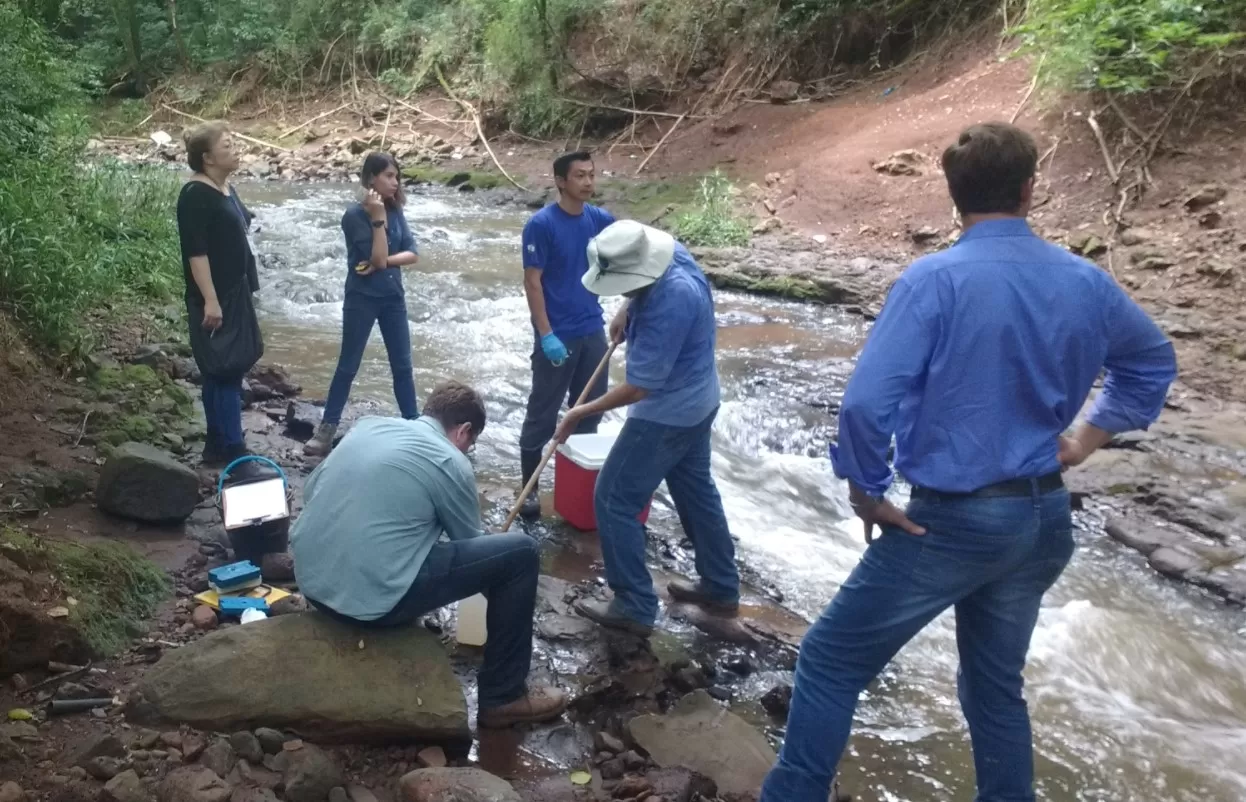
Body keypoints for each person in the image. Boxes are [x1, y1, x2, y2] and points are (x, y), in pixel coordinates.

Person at [757, 122, 1178, 802]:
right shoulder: (1085, 280)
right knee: (994, 689)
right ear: (1029, 190)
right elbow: (1152, 362)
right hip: (1042, 519)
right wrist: (1085, 440)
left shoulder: (934, 280)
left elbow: (867, 406)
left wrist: (866, 491)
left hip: (953, 523)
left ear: (953, 196)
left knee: (832, 660)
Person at [290, 380, 569, 728]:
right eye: (472, 443)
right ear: (464, 431)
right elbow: (470, 544)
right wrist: (518, 597)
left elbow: (314, 488)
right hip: (366, 606)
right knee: (521, 553)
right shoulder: (449, 459)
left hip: (313, 583)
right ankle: (503, 697)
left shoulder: (369, 427)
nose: (468, 451)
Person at [552, 220, 740, 637]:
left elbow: (639, 388)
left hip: (668, 412)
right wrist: (626, 310)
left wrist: (579, 412)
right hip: (701, 398)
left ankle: (634, 604)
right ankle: (721, 587)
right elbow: (644, 287)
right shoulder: (666, 252)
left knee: (614, 497)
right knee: (695, 491)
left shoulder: (672, 301)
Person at [517, 151, 616, 518]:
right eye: (580, 176)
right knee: (542, 415)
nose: (588, 182)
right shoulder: (541, 225)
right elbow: (533, 282)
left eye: (591, 175)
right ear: (560, 181)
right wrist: (545, 334)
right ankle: (529, 488)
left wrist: (627, 309)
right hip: (557, 336)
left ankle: (574, 487)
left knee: (589, 413)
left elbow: (628, 257)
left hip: (592, 331)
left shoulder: (600, 221)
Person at [305, 152, 420, 456]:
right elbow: (378, 257)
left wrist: (385, 262)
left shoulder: (397, 211)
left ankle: (416, 426)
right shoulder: (354, 216)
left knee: (403, 366)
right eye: (389, 176)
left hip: (393, 297)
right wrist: (378, 219)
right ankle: (326, 431)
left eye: (397, 177)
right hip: (362, 298)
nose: (395, 182)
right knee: (348, 365)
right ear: (371, 179)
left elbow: (411, 254)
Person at [176, 121, 265, 469]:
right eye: (228, 146)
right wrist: (210, 299)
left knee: (220, 370)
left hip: (235, 290)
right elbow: (196, 253)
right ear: (207, 158)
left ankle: (215, 445)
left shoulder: (224, 186)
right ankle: (234, 448)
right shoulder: (195, 195)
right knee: (227, 369)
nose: (236, 149)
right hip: (215, 295)